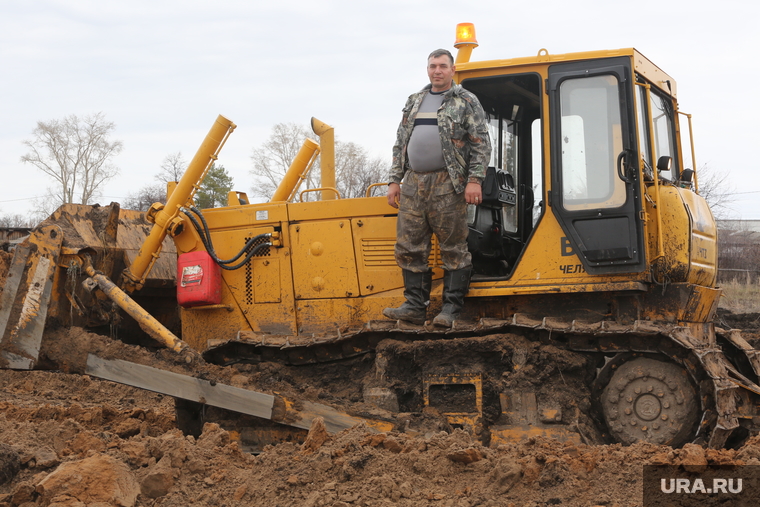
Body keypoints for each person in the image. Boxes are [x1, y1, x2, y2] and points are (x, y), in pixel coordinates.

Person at [383, 48, 491, 327]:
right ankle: (414, 307)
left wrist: (474, 181)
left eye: (443, 66)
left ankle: (451, 309)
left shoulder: (466, 101)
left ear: (452, 70)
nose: (437, 71)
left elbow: (480, 143)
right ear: (428, 69)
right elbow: (400, 142)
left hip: (448, 183)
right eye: (433, 66)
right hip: (413, 184)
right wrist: (395, 180)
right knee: (409, 245)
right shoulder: (415, 101)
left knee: (453, 247)